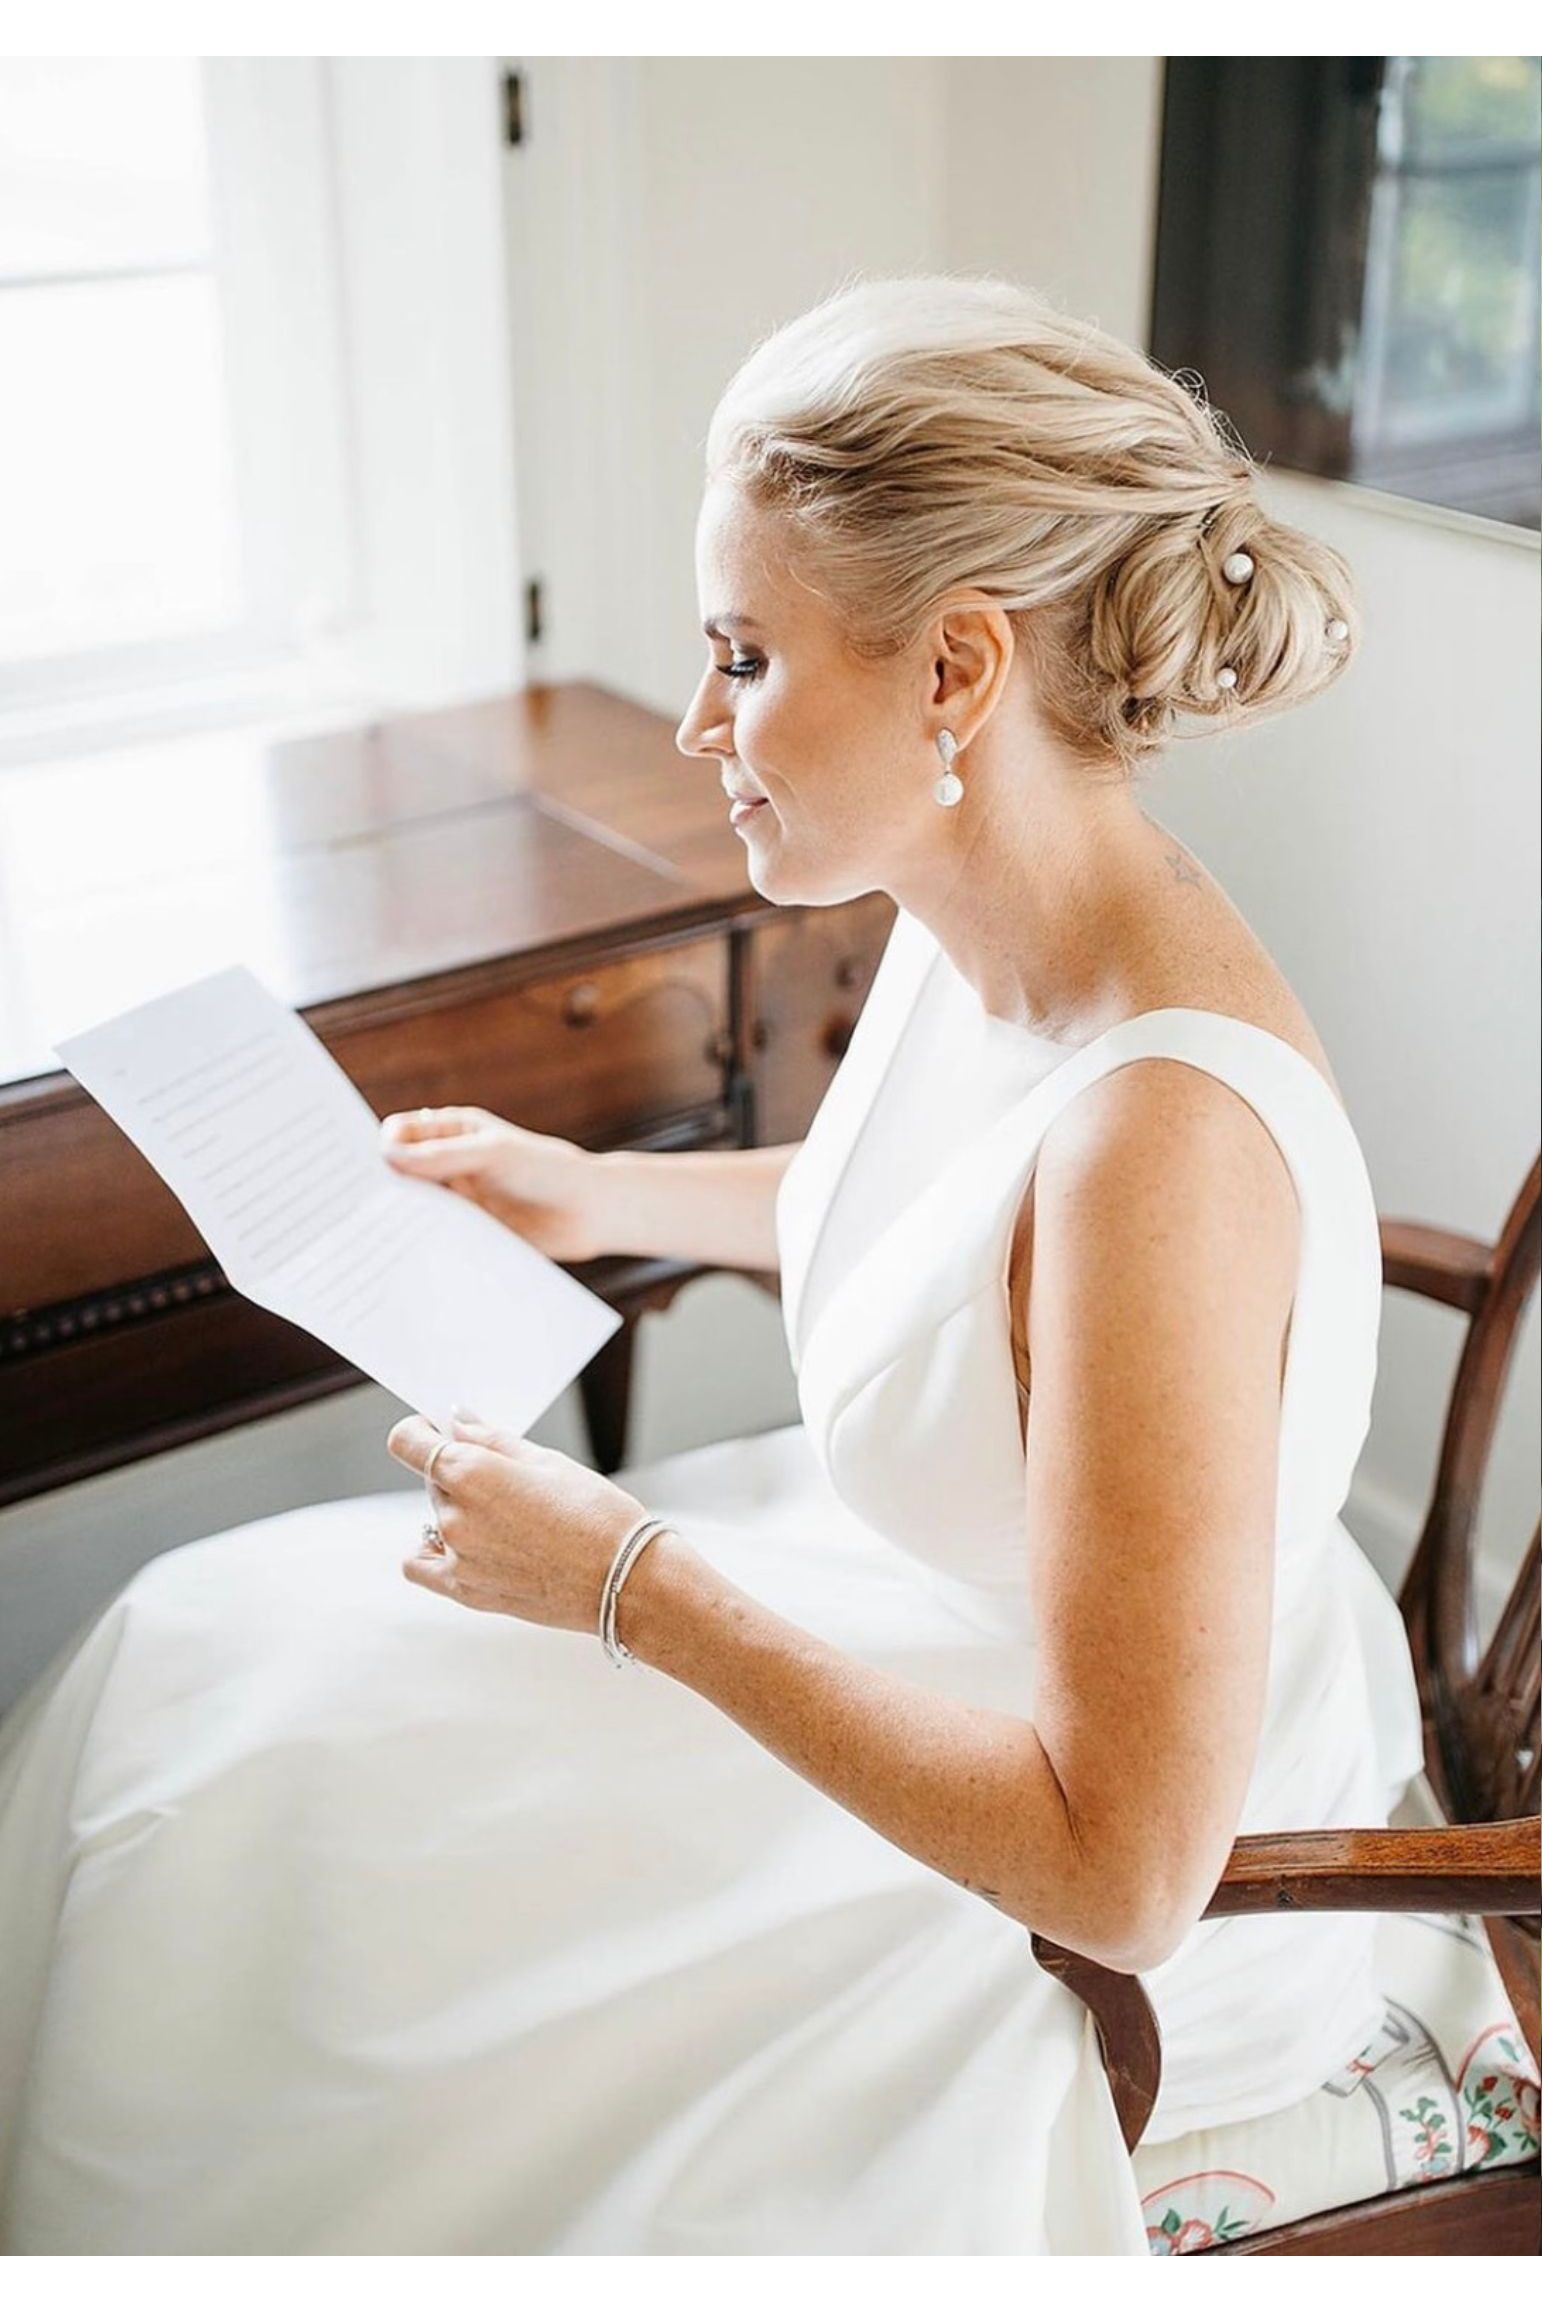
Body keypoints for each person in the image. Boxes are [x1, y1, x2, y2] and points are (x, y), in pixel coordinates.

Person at [0, 272, 1424, 2254]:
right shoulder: (976, 894)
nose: (695, 725)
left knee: (292, 1861)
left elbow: (1124, 1873)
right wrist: (599, 1189)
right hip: (935, 1627)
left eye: (742, 655)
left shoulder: (1164, 1149)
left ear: (954, 670)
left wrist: (624, 1582)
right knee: (202, 1654)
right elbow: (951, 1236)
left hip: (1055, 1866)